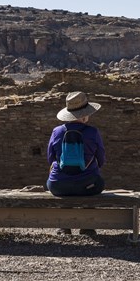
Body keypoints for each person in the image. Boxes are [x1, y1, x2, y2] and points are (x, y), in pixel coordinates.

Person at [46, 91, 106, 235]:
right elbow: (101, 160)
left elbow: (50, 159)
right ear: (85, 114)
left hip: (58, 185)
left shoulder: (56, 131)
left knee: (64, 187)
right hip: (87, 185)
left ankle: (64, 227)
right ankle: (87, 226)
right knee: (95, 184)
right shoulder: (93, 132)